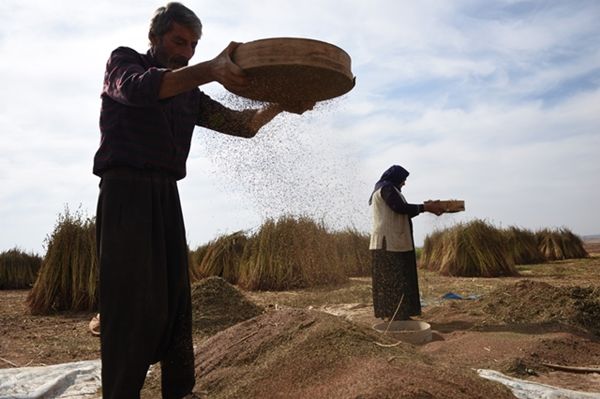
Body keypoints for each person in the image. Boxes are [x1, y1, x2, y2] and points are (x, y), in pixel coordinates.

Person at [93, 3, 313, 398]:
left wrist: (283, 104)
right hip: (125, 193)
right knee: (129, 306)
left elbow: (241, 126)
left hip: (166, 195)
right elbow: (140, 89)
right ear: (155, 38)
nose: (187, 52)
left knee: (177, 303)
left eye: (194, 45)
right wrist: (211, 69)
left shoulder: (189, 92)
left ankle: (181, 392)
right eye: (179, 41)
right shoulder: (124, 62)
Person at [368, 165, 445, 321]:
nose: (404, 183)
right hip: (389, 243)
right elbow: (400, 208)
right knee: (394, 279)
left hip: (393, 242)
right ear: (396, 178)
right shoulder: (387, 189)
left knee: (398, 278)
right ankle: (394, 314)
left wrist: (426, 206)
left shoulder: (387, 189)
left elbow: (402, 212)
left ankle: (397, 314)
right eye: (403, 179)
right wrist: (426, 208)